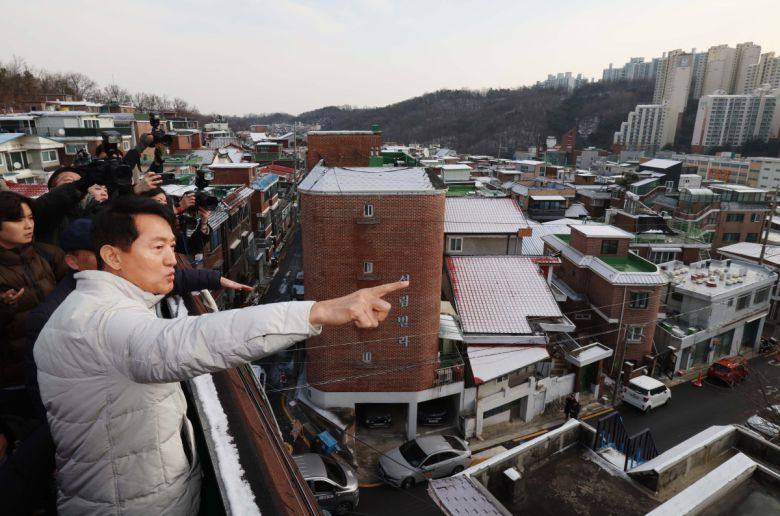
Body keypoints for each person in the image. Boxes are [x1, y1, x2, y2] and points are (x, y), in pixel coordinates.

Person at [35, 196, 406, 515]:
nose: (171, 260)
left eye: (171, 247)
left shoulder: (95, 306)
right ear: (113, 257)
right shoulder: (97, 321)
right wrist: (318, 312)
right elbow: (184, 342)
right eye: (158, 247)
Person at [24, 218, 253, 421]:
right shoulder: (50, 316)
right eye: (101, 254)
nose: (113, 260)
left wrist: (214, 278)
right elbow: (43, 395)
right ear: (73, 261)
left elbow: (174, 279)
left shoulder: (122, 282)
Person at [0, 191, 68, 418]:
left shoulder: (49, 255)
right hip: (15, 376)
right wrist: (5, 307)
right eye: (18, 219)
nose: (28, 225)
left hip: (59, 365)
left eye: (30, 217)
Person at [142, 187, 211, 256]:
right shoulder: (143, 225)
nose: (163, 205)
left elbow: (190, 248)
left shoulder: (173, 224)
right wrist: (178, 208)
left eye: (165, 202)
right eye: (158, 201)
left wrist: (203, 223)